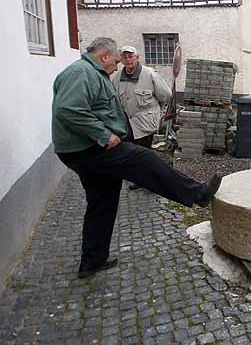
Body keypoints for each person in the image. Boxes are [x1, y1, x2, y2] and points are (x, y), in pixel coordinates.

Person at [52, 37, 221, 279]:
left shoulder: (90, 72)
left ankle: (92, 260)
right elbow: (68, 109)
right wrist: (103, 135)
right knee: (146, 160)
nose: (118, 66)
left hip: (84, 148)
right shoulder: (82, 72)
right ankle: (198, 194)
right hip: (89, 148)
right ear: (104, 57)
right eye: (116, 61)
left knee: (103, 200)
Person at [112, 45, 172, 189]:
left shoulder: (149, 74)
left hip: (145, 121)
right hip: (127, 123)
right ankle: (143, 178)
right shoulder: (118, 77)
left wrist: (156, 111)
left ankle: (154, 176)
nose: (128, 60)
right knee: (134, 151)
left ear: (137, 58)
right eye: (124, 57)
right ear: (121, 60)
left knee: (144, 151)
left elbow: (166, 95)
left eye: (131, 56)